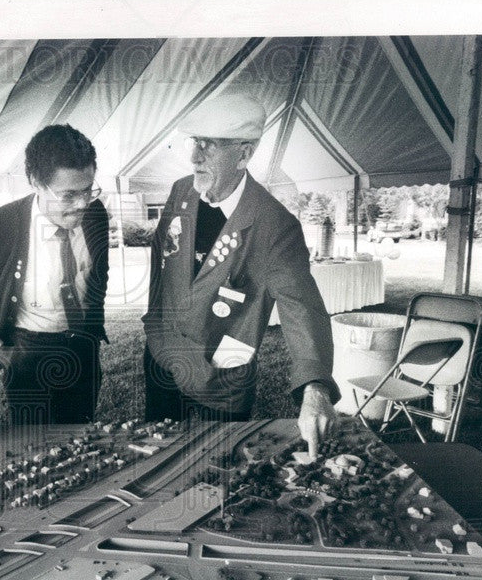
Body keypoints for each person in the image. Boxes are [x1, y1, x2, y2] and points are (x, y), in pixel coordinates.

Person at [142, 93, 339, 455]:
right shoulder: (181, 191)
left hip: (217, 379)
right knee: (159, 457)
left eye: (209, 146)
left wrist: (315, 387)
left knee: (215, 475)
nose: (194, 156)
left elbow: (302, 308)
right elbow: (161, 258)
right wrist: (154, 322)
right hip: (163, 356)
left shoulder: (275, 225)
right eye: (194, 142)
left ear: (244, 154)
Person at [0, 124, 109, 425]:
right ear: (35, 183)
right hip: (28, 354)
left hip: (83, 349)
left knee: (82, 437)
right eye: (68, 196)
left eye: (88, 190)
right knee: (34, 449)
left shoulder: (95, 214)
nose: (82, 205)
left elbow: (97, 275)